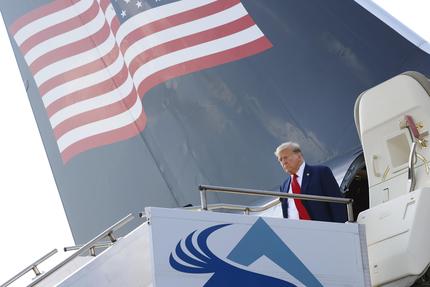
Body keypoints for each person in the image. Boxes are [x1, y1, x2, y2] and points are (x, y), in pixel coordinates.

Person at [275, 142, 347, 223]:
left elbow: (337, 204)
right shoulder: (284, 186)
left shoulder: (321, 172)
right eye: (280, 160)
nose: (283, 162)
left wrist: (341, 229)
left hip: (323, 230)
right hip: (296, 233)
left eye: (285, 157)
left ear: (299, 155)